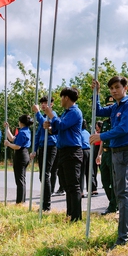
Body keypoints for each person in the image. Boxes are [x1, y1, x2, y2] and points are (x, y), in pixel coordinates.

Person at [90, 76, 128, 248]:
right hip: (116, 152)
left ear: (125, 87)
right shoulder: (114, 107)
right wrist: (96, 93)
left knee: (123, 193)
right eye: (111, 88)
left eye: (117, 87)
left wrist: (101, 136)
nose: (114, 90)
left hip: (127, 151)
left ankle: (122, 238)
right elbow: (97, 111)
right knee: (120, 192)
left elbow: (123, 129)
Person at [44, 87, 84, 222]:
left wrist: (52, 115)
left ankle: (76, 217)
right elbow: (57, 130)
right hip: (63, 151)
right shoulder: (66, 112)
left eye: (61, 97)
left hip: (72, 151)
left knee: (73, 185)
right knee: (67, 185)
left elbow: (62, 125)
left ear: (66, 98)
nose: (60, 100)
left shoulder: (75, 112)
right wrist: (49, 128)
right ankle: (70, 214)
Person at [32, 96, 58, 211]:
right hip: (42, 147)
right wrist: (34, 149)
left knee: (46, 174)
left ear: (51, 104)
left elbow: (45, 125)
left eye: (46, 103)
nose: (43, 105)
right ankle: (44, 202)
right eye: (42, 103)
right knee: (42, 176)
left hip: (51, 147)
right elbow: (38, 135)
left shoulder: (53, 115)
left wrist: (37, 112)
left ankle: (46, 205)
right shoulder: (42, 116)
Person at [5, 114, 33, 204]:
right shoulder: (26, 131)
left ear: (21, 122)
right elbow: (12, 138)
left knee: (20, 180)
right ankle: (21, 200)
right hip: (25, 155)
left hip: (21, 155)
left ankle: (20, 201)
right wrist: (7, 129)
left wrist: (8, 144)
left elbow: (17, 146)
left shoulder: (22, 132)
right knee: (22, 179)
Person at [80, 120, 93, 197]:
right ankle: (91, 190)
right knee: (89, 171)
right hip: (89, 151)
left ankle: (81, 191)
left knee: (81, 172)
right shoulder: (87, 132)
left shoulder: (78, 132)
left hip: (82, 151)